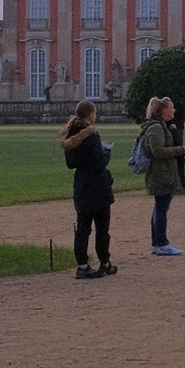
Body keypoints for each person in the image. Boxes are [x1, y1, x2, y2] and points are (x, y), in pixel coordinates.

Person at [60, 101, 115, 279]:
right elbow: (99, 163)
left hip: (82, 185)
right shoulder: (92, 136)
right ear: (90, 114)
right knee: (102, 228)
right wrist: (107, 153)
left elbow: (71, 164)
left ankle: (83, 265)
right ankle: (104, 262)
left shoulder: (70, 137)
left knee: (83, 228)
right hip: (97, 186)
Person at [137, 97, 185, 256]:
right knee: (161, 209)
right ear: (164, 111)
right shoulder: (156, 128)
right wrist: (180, 150)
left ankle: (157, 244)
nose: (174, 110)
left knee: (159, 208)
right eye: (172, 107)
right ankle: (162, 244)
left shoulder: (160, 126)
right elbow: (158, 152)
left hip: (162, 172)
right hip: (160, 173)